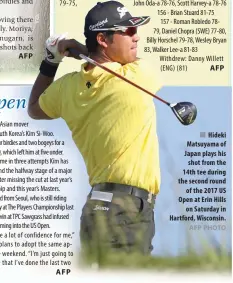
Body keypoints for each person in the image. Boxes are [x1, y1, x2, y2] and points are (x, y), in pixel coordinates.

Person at [28, 1, 161, 264]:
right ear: (102, 38)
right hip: (126, 209)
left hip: (97, 208)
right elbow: (125, 67)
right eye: (128, 32)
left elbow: (34, 108)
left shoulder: (66, 88)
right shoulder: (137, 74)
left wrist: (52, 60)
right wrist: (78, 48)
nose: (136, 37)